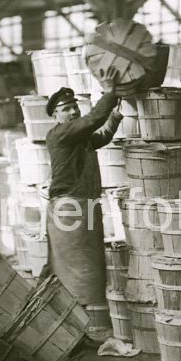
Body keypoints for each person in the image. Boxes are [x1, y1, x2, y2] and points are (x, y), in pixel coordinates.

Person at [44, 72, 122, 340]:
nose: (73, 111)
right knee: (77, 273)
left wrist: (117, 117)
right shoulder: (60, 134)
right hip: (70, 209)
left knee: (86, 269)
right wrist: (109, 92)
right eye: (66, 109)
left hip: (82, 207)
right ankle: (69, 329)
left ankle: (78, 330)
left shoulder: (78, 138)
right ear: (55, 116)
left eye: (74, 106)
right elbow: (94, 120)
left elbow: (100, 136)